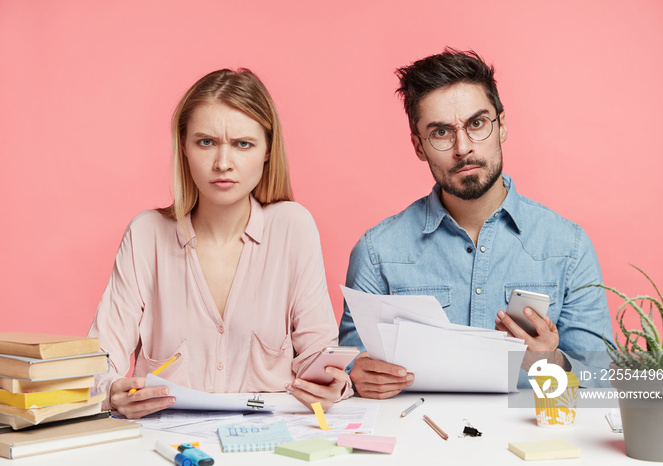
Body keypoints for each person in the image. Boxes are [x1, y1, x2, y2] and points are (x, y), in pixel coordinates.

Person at [338, 48, 614, 399]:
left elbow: (602, 381)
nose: (463, 147)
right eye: (440, 132)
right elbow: (351, 370)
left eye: (477, 123)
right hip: (419, 444)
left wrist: (552, 361)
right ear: (418, 146)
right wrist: (357, 375)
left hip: (533, 446)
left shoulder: (568, 246)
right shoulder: (377, 252)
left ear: (502, 125)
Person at [88, 69, 350, 418]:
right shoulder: (146, 234)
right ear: (183, 146)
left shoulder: (293, 227)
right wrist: (109, 391)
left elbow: (320, 352)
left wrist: (333, 382)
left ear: (268, 150)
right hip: (164, 444)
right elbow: (96, 364)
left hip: (269, 444)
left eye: (243, 144)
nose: (223, 164)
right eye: (206, 142)